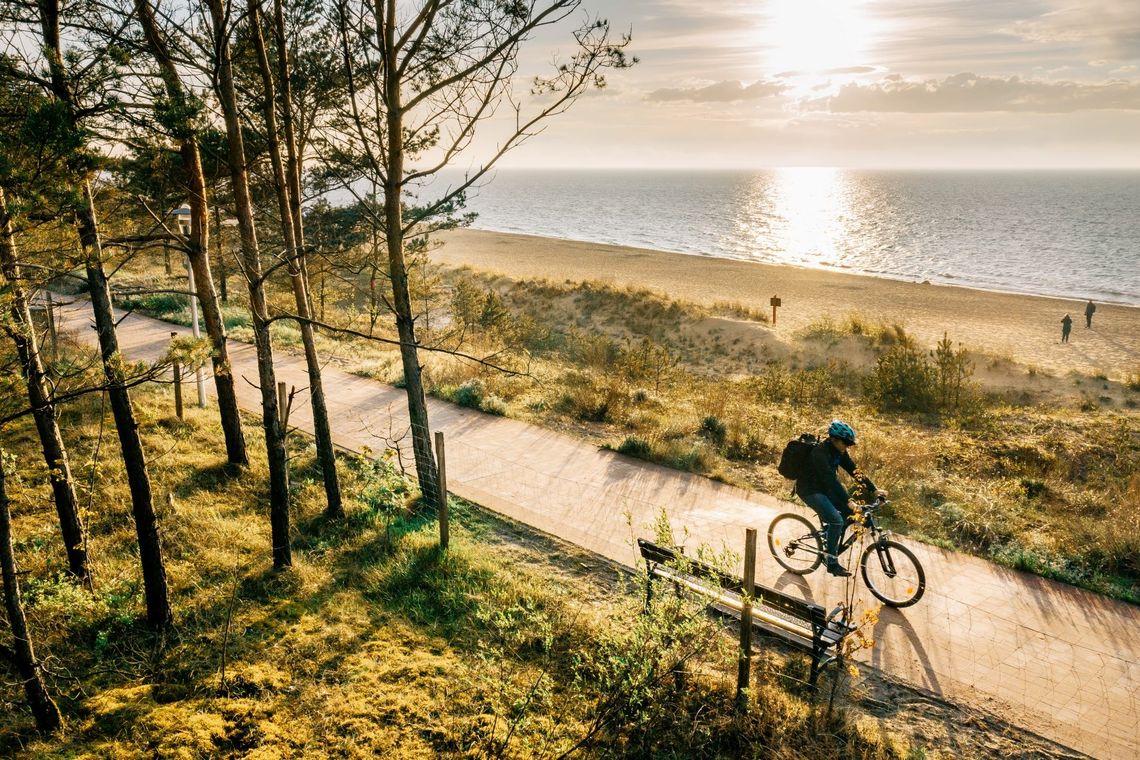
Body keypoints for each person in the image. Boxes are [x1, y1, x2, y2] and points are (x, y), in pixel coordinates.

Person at [795, 420, 886, 577]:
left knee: (845, 517)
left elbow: (854, 470)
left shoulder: (839, 451)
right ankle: (832, 563)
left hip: (825, 488)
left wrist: (874, 489)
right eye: (845, 443)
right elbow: (831, 481)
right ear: (834, 439)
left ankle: (830, 536)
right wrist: (848, 501)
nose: (847, 447)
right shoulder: (820, 453)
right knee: (836, 520)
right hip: (810, 490)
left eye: (849, 444)